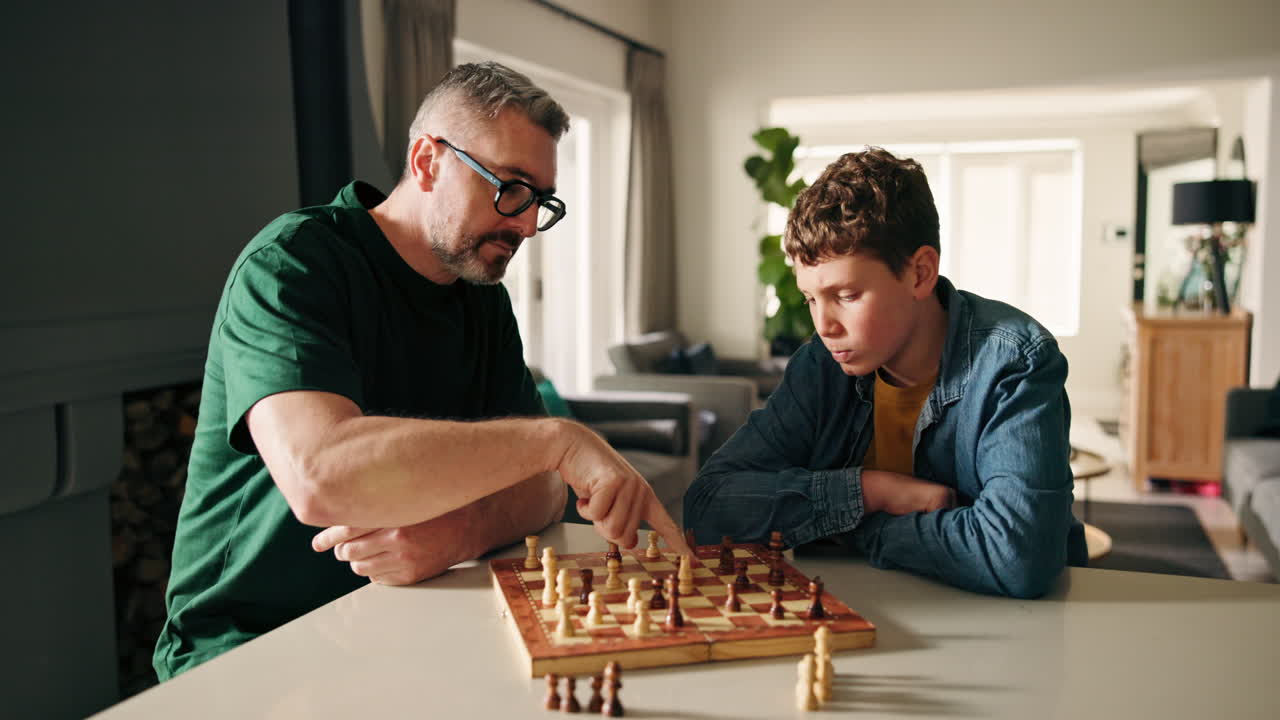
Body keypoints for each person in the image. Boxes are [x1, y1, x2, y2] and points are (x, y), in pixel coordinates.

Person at [154, 62, 688, 681]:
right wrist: (557, 440)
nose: (524, 224)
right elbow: (322, 477)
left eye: (540, 202)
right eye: (510, 188)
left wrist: (463, 530)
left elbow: (543, 493)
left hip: (400, 631)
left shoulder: (481, 298)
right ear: (428, 161)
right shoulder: (292, 265)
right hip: (247, 652)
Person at [684, 148, 1086, 599]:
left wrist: (855, 530)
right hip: (867, 613)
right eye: (811, 299)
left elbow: (1016, 556)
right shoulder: (822, 364)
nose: (824, 325)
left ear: (920, 273)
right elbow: (708, 507)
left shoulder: (1013, 361)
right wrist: (872, 490)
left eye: (847, 294)